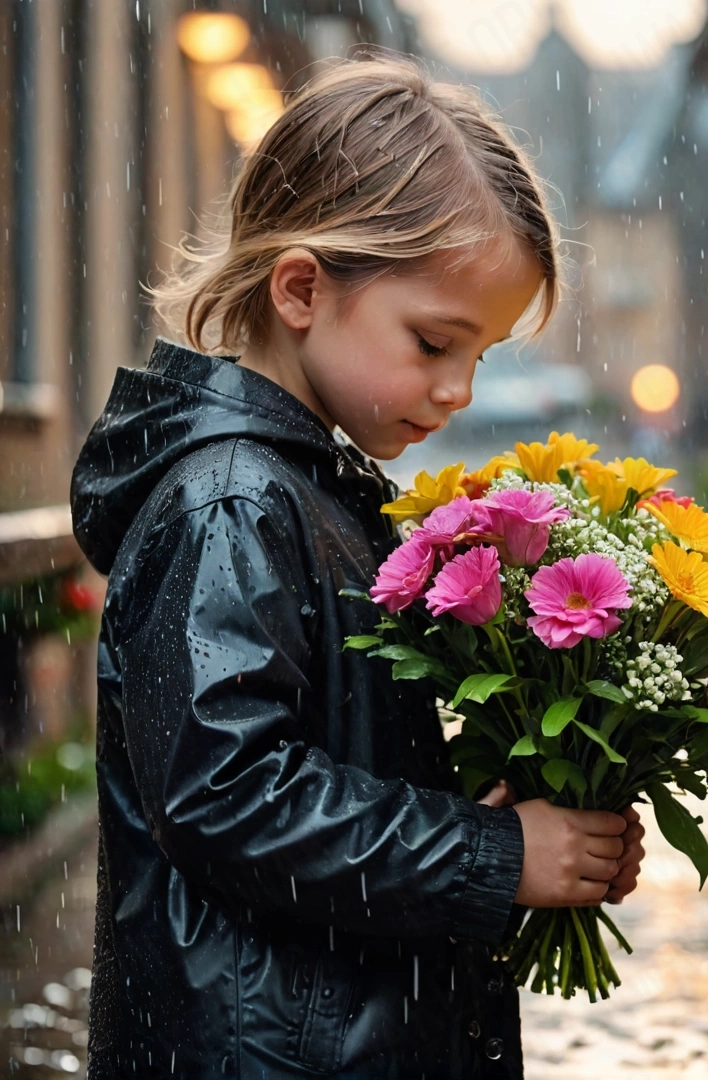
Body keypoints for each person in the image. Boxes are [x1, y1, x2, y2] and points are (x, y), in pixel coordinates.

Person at [69, 53, 645, 1080]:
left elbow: (328, 759)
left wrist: (517, 812)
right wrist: (497, 857)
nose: (460, 389)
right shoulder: (233, 501)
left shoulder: (310, 487)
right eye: (435, 342)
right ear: (301, 288)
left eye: (482, 355)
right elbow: (229, 793)